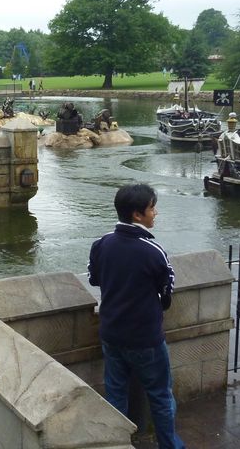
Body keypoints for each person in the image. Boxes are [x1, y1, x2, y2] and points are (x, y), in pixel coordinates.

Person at [88, 183, 184, 449]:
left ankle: (117, 443)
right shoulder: (153, 251)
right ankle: (169, 445)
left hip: (111, 333)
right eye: (152, 208)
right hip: (145, 338)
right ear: (137, 215)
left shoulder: (101, 244)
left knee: (116, 393)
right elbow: (167, 292)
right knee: (161, 395)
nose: (156, 213)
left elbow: (94, 278)